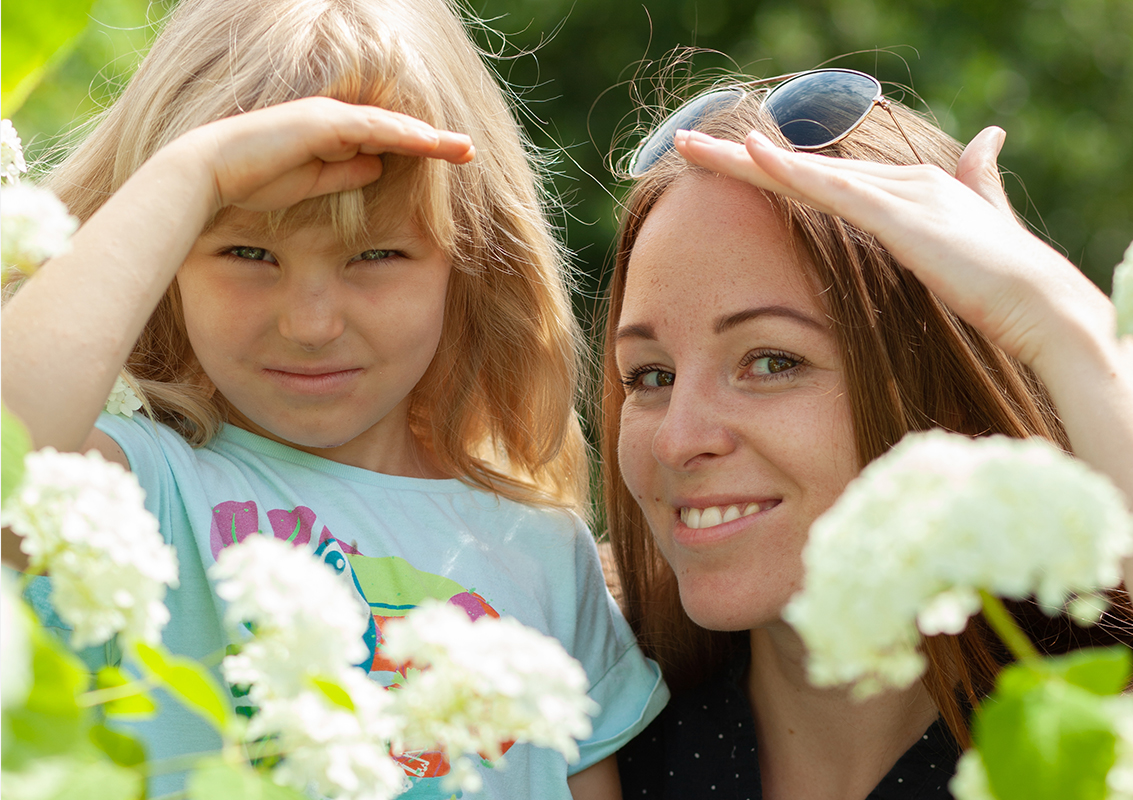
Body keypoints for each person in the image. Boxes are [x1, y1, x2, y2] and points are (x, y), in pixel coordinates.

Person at [0, 0, 669, 796]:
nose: (311, 323)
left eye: (376, 254)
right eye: (248, 250)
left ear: (471, 260)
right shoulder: (134, 488)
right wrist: (192, 173)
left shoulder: (543, 552)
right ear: (168, 259)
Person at [598, 68, 1133, 799]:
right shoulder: (572, 714)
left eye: (771, 361)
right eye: (650, 376)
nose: (676, 439)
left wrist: (1071, 328)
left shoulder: (1119, 752)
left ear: (938, 390)